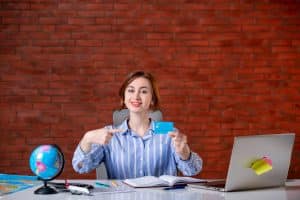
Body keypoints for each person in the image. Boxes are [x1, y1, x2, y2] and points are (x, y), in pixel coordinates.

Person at [72, 71, 202, 179]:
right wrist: (87, 138)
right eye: (131, 90)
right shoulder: (109, 134)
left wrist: (184, 153)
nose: (136, 96)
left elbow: (193, 170)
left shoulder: (168, 131)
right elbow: (80, 167)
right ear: (123, 97)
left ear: (152, 100)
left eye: (144, 91)